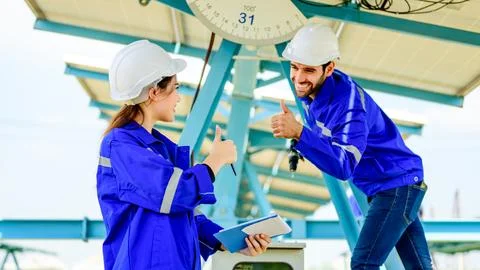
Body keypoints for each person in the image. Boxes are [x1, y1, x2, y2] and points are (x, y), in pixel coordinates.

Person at [97, 40, 271, 270]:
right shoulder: (120, 145)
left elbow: (185, 214)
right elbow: (175, 194)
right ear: (154, 92)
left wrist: (234, 242)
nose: (179, 97)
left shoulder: (160, 150)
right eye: (176, 88)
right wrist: (215, 160)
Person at [270, 24, 433, 269]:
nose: (299, 78)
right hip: (395, 185)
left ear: (329, 68)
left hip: (395, 186)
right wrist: (301, 141)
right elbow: (327, 139)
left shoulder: (350, 106)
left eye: (308, 70)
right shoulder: (311, 95)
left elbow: (344, 165)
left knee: (363, 264)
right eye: (294, 67)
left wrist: (300, 133)